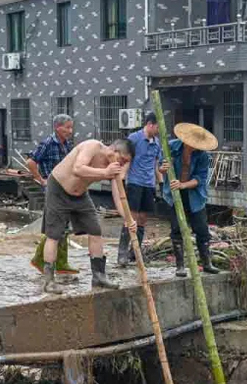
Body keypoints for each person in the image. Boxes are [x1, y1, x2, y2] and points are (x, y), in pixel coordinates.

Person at [41, 138, 135, 295]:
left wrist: (128, 219)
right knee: (54, 235)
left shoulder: (114, 168)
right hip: (58, 189)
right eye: (123, 160)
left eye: (126, 163)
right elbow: (78, 168)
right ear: (114, 151)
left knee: (95, 230)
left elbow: (119, 195)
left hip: (81, 195)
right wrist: (105, 172)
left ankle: (99, 275)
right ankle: (49, 281)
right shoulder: (92, 146)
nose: (123, 164)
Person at [159, 123, 220, 277]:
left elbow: (200, 179)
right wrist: (163, 168)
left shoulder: (203, 156)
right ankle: (180, 266)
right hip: (174, 194)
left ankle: (206, 263)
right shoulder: (171, 147)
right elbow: (160, 167)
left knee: (202, 230)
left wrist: (183, 184)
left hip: (195, 195)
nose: (194, 148)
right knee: (177, 229)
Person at [29, 115, 77, 275]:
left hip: (66, 188)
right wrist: (41, 180)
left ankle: (61, 262)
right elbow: (31, 161)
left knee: (64, 225)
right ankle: (39, 259)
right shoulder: (48, 143)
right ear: (58, 127)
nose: (70, 131)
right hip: (53, 190)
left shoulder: (67, 145)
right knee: (56, 226)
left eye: (71, 127)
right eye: (67, 128)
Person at [117, 113, 162, 267]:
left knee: (143, 219)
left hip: (149, 184)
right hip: (135, 182)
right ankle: (122, 254)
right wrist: (121, 180)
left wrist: (160, 183)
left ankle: (135, 252)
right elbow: (125, 159)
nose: (158, 130)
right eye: (157, 127)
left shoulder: (157, 143)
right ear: (150, 124)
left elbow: (156, 165)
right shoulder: (134, 139)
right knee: (131, 218)